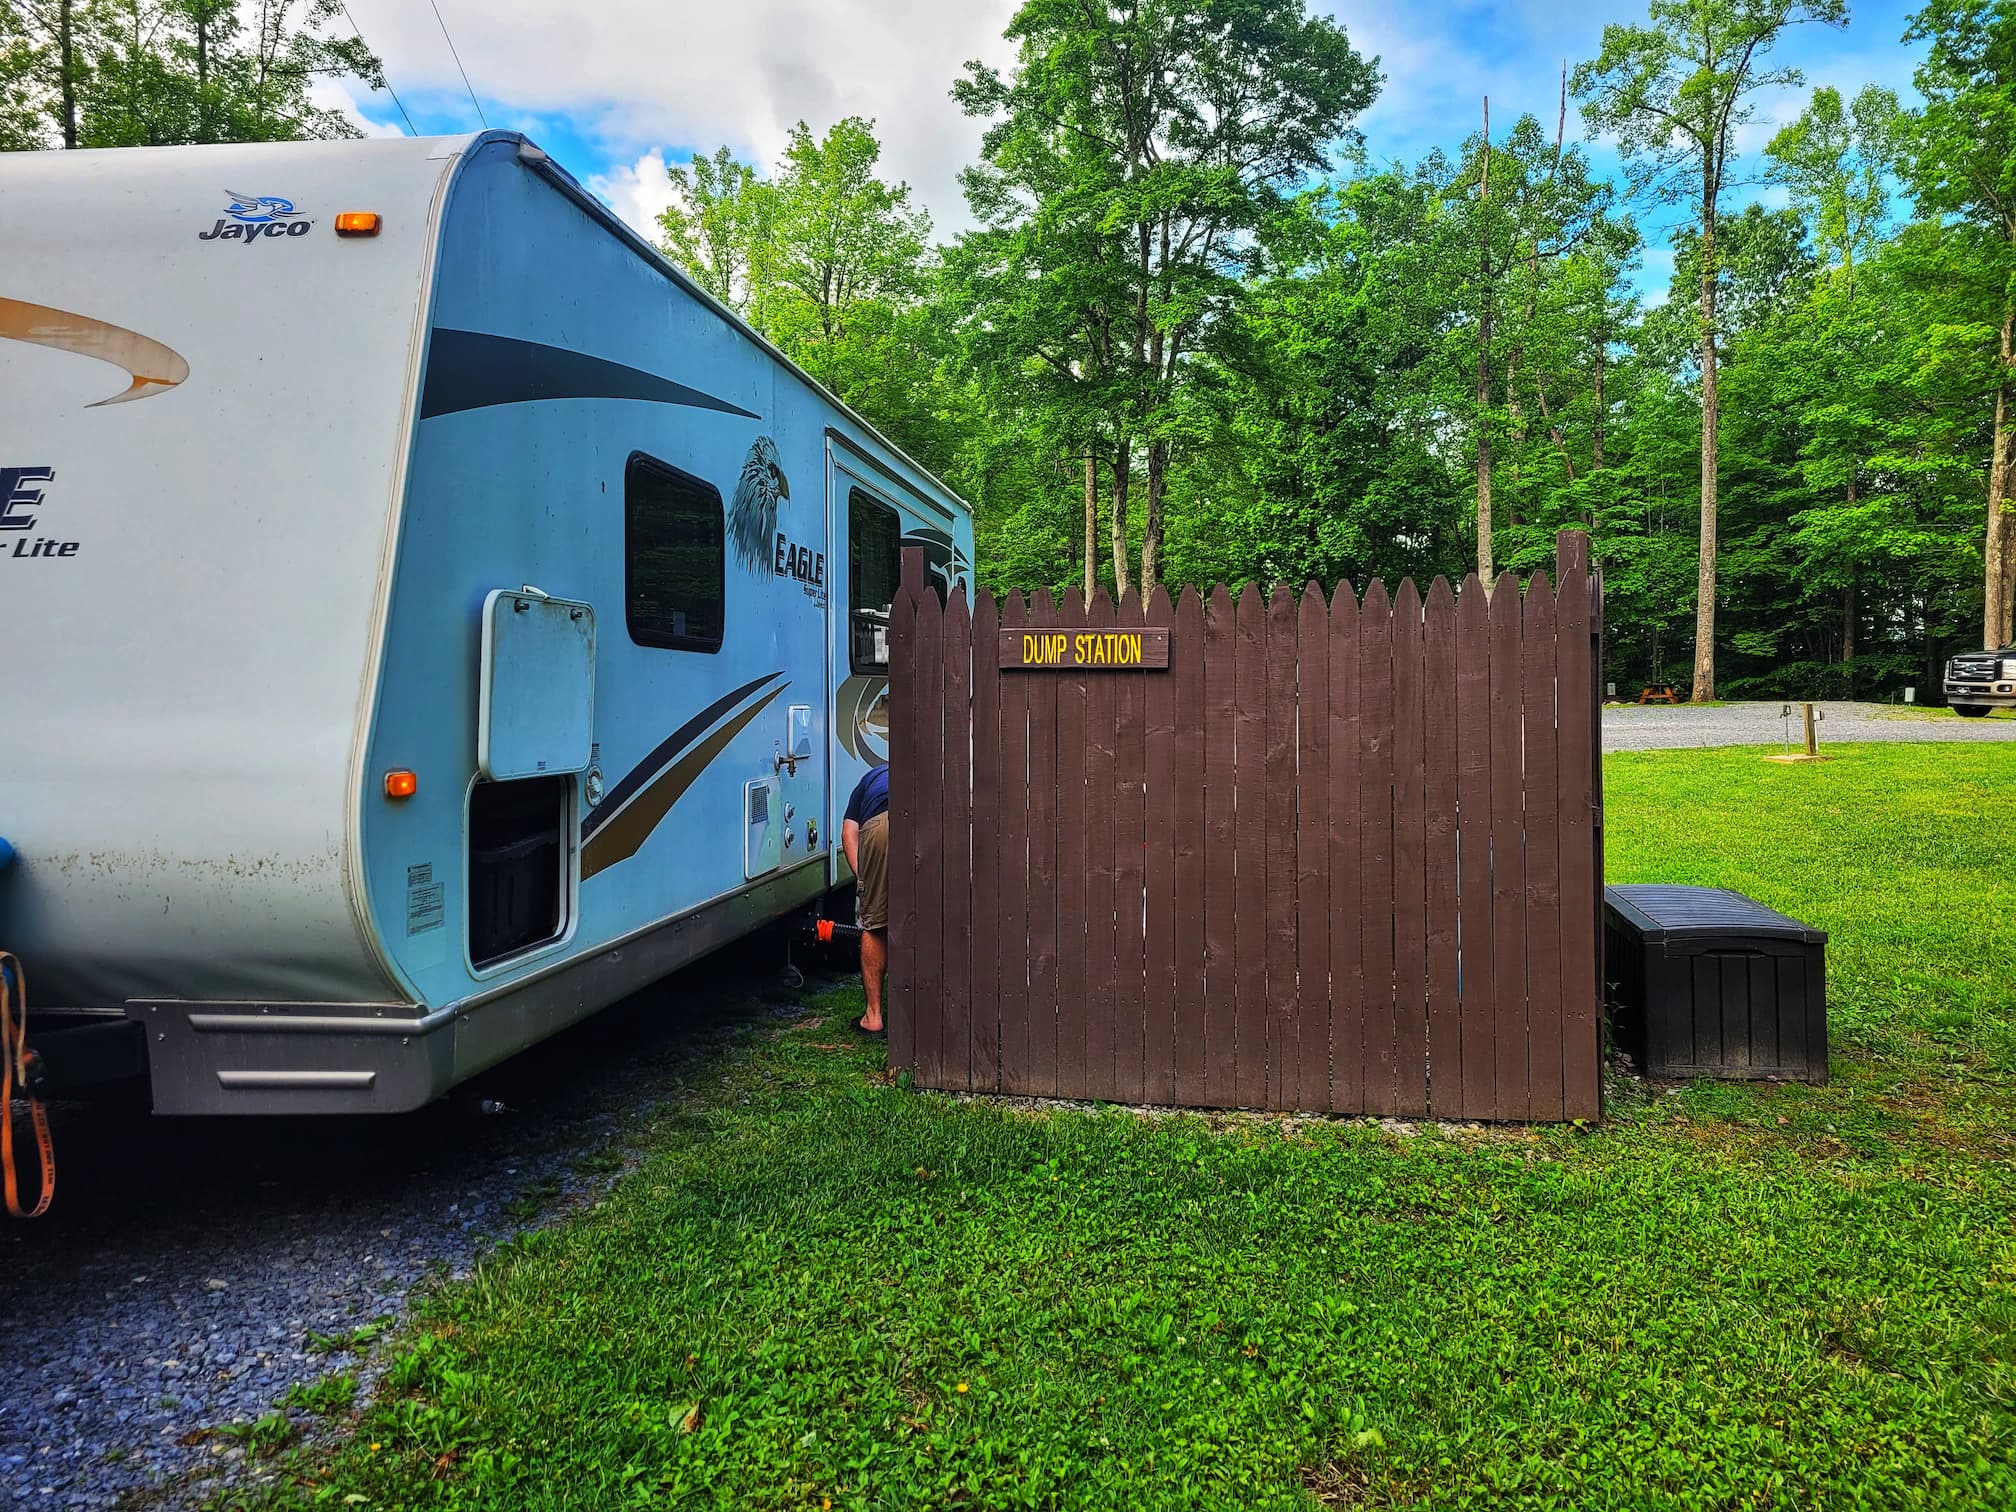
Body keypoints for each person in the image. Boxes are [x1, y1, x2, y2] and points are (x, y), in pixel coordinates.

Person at [840, 762, 891, 1035]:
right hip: (926, 814)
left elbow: (849, 833)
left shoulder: (869, 779)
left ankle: (873, 1017)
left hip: (880, 824)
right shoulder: (925, 770)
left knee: (875, 923)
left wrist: (865, 880)